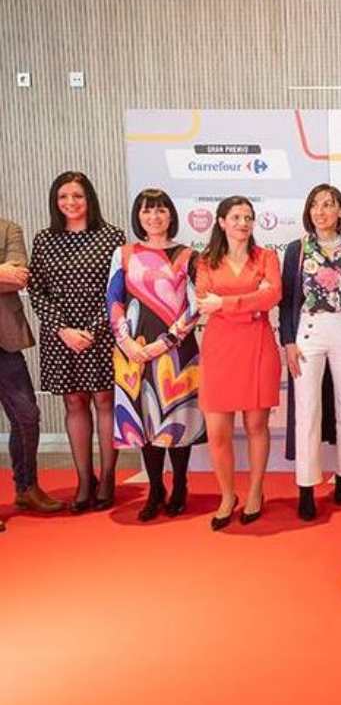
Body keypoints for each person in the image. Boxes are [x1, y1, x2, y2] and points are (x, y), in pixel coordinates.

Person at [27, 172, 125, 512]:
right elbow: (36, 290)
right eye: (63, 196)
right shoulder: (44, 239)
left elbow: (118, 290)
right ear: (55, 201)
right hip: (61, 336)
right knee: (74, 403)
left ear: (90, 199)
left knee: (104, 400)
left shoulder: (112, 237)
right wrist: (63, 329)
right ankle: (85, 478)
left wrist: (95, 328)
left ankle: (109, 474)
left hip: (102, 332)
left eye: (77, 196)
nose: (71, 202)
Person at [106, 190, 204, 522]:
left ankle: (179, 485)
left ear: (170, 215)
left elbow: (195, 305)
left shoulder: (189, 255)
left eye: (161, 210)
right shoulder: (124, 254)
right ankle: (155, 489)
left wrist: (167, 341)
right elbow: (113, 300)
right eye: (147, 211)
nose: (154, 217)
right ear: (139, 216)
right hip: (134, 351)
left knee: (176, 421)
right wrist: (126, 342)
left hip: (176, 351)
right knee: (145, 421)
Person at [281, 185, 341, 521]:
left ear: (340, 211)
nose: (321, 211)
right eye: (315, 205)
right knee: (307, 408)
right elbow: (287, 299)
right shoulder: (297, 249)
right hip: (308, 332)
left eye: (328, 205)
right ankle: (306, 486)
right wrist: (288, 341)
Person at [195, 196, 282, 530]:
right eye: (236, 217)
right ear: (221, 221)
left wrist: (226, 302)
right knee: (218, 432)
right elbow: (204, 302)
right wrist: (249, 302)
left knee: (256, 426)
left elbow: (272, 296)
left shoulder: (266, 257)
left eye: (248, 217)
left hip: (258, 347)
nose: (243, 223)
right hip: (219, 350)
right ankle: (227, 495)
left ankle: (256, 491)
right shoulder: (205, 261)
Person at [1, 217, 65, 529]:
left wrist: (9, 274)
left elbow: (19, 278)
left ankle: (26, 488)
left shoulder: (8, 228)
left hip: (5, 340)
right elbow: (6, 275)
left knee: (27, 415)